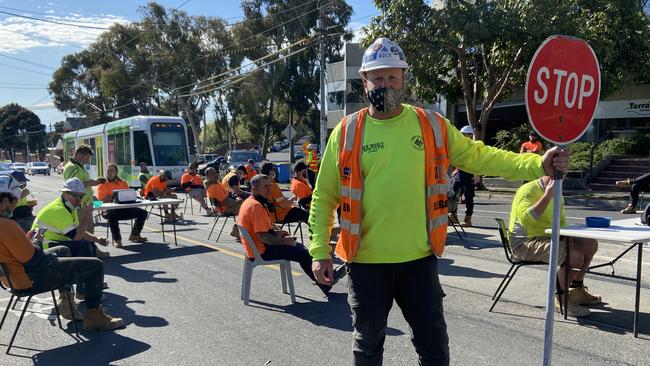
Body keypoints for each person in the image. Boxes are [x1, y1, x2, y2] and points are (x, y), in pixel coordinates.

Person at [308, 37, 570, 365]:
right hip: (365, 264)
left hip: (419, 262)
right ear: (364, 82)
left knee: (433, 348)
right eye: (377, 77)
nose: (384, 84)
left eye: (392, 77)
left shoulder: (430, 125)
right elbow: (323, 195)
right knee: (368, 345)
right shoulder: (346, 131)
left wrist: (536, 165)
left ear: (404, 79)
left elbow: (479, 156)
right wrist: (319, 252)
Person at [0, 175, 124, 330]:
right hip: (29, 278)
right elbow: (33, 258)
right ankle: (94, 316)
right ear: (5, 202)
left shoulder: (6, 225)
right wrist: (37, 240)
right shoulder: (7, 225)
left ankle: (66, 301)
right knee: (96, 265)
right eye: (15, 202)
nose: (16, 206)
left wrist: (28, 241)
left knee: (64, 250)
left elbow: (16, 252)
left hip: (10, 277)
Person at [509, 176, 601, 317]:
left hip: (548, 236)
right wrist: (547, 196)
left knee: (589, 243)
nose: (564, 174)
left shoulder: (557, 191)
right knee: (574, 254)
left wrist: (576, 234)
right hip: (524, 243)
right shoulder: (528, 190)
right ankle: (561, 298)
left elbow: (561, 222)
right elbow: (525, 220)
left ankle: (576, 289)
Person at [237, 174, 343, 296]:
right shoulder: (256, 206)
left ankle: (324, 281)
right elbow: (263, 236)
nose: (269, 190)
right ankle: (325, 281)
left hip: (257, 248)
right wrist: (283, 242)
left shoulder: (252, 202)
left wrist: (279, 233)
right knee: (302, 254)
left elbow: (262, 230)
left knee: (299, 247)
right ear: (254, 189)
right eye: (265, 187)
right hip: (262, 251)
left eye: (270, 186)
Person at [32, 178, 107, 258]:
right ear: (65, 194)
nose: (78, 199)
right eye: (75, 195)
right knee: (83, 246)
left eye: (81, 196)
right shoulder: (59, 210)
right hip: (43, 246)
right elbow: (77, 237)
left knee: (87, 244)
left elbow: (77, 231)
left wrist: (97, 239)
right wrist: (87, 214)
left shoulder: (69, 206)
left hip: (49, 242)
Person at [63, 144, 108, 257]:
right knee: (84, 230)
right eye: (87, 157)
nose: (88, 160)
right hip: (79, 204)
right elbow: (71, 187)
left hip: (87, 202)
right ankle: (89, 252)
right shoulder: (71, 167)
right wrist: (91, 183)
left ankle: (91, 250)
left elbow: (84, 185)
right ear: (79, 155)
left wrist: (99, 202)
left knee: (89, 227)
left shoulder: (79, 166)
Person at [97, 164, 148, 248]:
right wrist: (118, 197)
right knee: (112, 215)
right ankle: (117, 240)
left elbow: (127, 196)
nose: (109, 173)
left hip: (124, 208)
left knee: (143, 213)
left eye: (111, 171)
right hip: (109, 210)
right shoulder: (102, 184)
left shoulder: (123, 182)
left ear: (116, 172)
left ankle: (134, 235)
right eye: (107, 171)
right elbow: (105, 199)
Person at [451, 125, 476, 227]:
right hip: (460, 173)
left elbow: (477, 162)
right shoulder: (460, 145)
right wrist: (455, 170)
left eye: (465, 134)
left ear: (470, 135)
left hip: (469, 173)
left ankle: (468, 219)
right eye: (462, 134)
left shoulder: (474, 146)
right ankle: (453, 216)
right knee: (453, 193)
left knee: (468, 197)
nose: (463, 136)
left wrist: (477, 175)